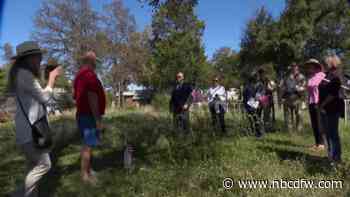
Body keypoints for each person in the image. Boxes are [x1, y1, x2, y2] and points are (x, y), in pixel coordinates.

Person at [8, 41, 62, 197]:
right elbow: (45, 97)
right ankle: (19, 194)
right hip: (31, 131)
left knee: (32, 166)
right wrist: (52, 79)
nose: (40, 60)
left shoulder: (21, 74)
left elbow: (38, 97)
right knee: (45, 165)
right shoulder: (24, 75)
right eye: (38, 56)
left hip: (27, 130)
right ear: (29, 58)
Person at [73, 51, 106, 185]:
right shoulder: (89, 75)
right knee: (88, 146)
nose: (96, 64)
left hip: (82, 114)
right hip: (88, 115)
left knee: (88, 144)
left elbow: (74, 95)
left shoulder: (78, 76)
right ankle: (84, 176)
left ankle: (88, 170)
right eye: (95, 61)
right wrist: (98, 120)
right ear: (90, 61)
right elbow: (92, 97)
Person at [319, 54, 344, 164]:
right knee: (328, 133)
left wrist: (322, 104)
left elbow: (332, 94)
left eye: (326, 63)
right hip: (325, 108)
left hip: (333, 108)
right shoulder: (326, 75)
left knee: (333, 134)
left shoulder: (335, 76)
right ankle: (330, 155)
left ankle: (337, 157)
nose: (324, 65)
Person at [305, 59, 326, 151]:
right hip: (311, 102)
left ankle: (322, 144)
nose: (310, 67)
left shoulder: (322, 75)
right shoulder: (310, 77)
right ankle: (317, 143)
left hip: (318, 102)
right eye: (308, 66)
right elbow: (309, 91)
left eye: (311, 65)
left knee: (319, 123)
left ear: (316, 66)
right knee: (314, 123)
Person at [280, 63, 306, 132]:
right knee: (287, 116)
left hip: (297, 98)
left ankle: (299, 130)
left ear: (297, 68)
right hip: (287, 98)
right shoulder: (286, 77)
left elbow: (304, 87)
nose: (293, 68)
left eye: (295, 66)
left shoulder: (301, 77)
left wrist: (300, 89)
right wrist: (282, 97)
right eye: (292, 66)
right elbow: (282, 87)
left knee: (299, 114)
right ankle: (289, 131)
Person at [243, 74, 263, 138]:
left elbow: (245, 97)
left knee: (252, 120)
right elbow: (254, 97)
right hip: (251, 105)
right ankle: (257, 133)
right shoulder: (251, 87)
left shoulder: (246, 87)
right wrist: (256, 105)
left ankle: (254, 132)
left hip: (249, 105)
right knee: (255, 119)